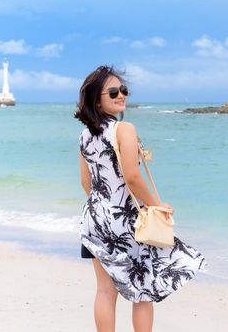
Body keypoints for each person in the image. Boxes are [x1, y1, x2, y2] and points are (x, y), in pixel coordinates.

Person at [74, 65, 206, 332]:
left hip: (94, 218)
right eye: (113, 92)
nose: (121, 95)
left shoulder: (84, 136)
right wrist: (157, 204)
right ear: (96, 99)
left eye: (123, 90)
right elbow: (133, 177)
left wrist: (103, 209)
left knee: (104, 290)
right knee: (143, 291)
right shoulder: (124, 129)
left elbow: (86, 182)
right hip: (125, 222)